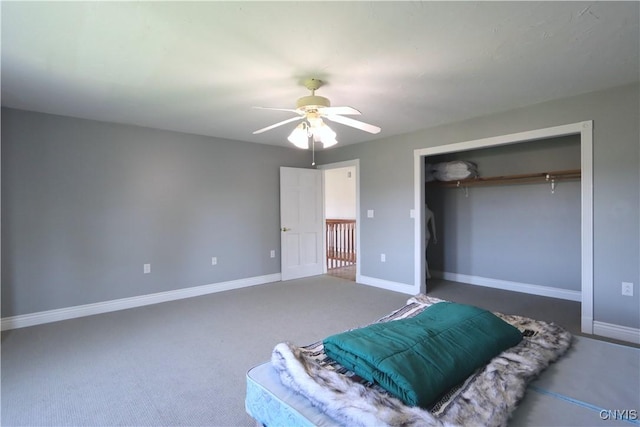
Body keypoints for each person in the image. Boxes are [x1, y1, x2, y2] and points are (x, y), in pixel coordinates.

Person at [425, 204, 437, 279]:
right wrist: (434, 236)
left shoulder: (420, 211)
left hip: (422, 234)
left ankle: (428, 273)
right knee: (423, 254)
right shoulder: (430, 212)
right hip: (427, 234)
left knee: (421, 255)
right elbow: (433, 226)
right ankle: (427, 273)